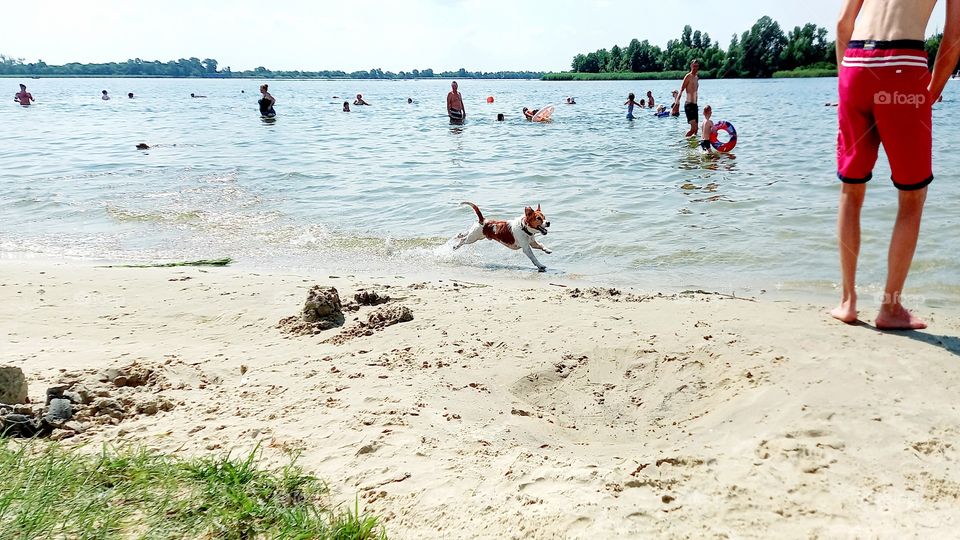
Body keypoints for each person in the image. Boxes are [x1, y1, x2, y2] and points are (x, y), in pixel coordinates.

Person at [830, 0, 959, 330]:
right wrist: (930, 92)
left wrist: (847, 84)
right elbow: (954, 37)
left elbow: (844, 23)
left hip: (855, 63)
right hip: (902, 66)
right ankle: (890, 306)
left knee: (851, 190)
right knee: (912, 198)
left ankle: (848, 302)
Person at [676, 59, 700, 136]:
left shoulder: (696, 77)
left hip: (695, 105)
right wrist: (676, 104)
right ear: (691, 66)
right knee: (693, 128)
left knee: (696, 130)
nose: (695, 68)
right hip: (689, 105)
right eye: (694, 66)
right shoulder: (688, 76)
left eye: (697, 66)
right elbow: (681, 90)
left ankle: (694, 146)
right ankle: (685, 142)